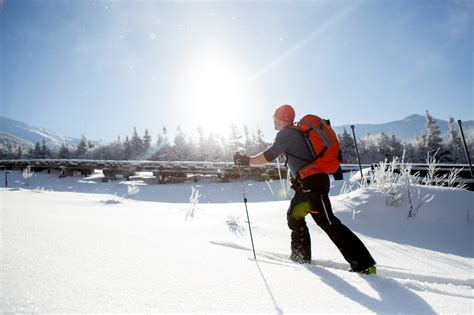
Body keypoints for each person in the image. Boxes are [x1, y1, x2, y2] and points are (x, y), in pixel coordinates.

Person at [233, 104, 376, 274]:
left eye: (275, 118)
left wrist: (246, 161)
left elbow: (270, 155)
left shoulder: (286, 134)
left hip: (314, 184)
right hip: (307, 185)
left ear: (283, 118)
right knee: (294, 216)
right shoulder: (294, 133)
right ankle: (300, 257)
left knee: (328, 222)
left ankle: (364, 264)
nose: (273, 121)